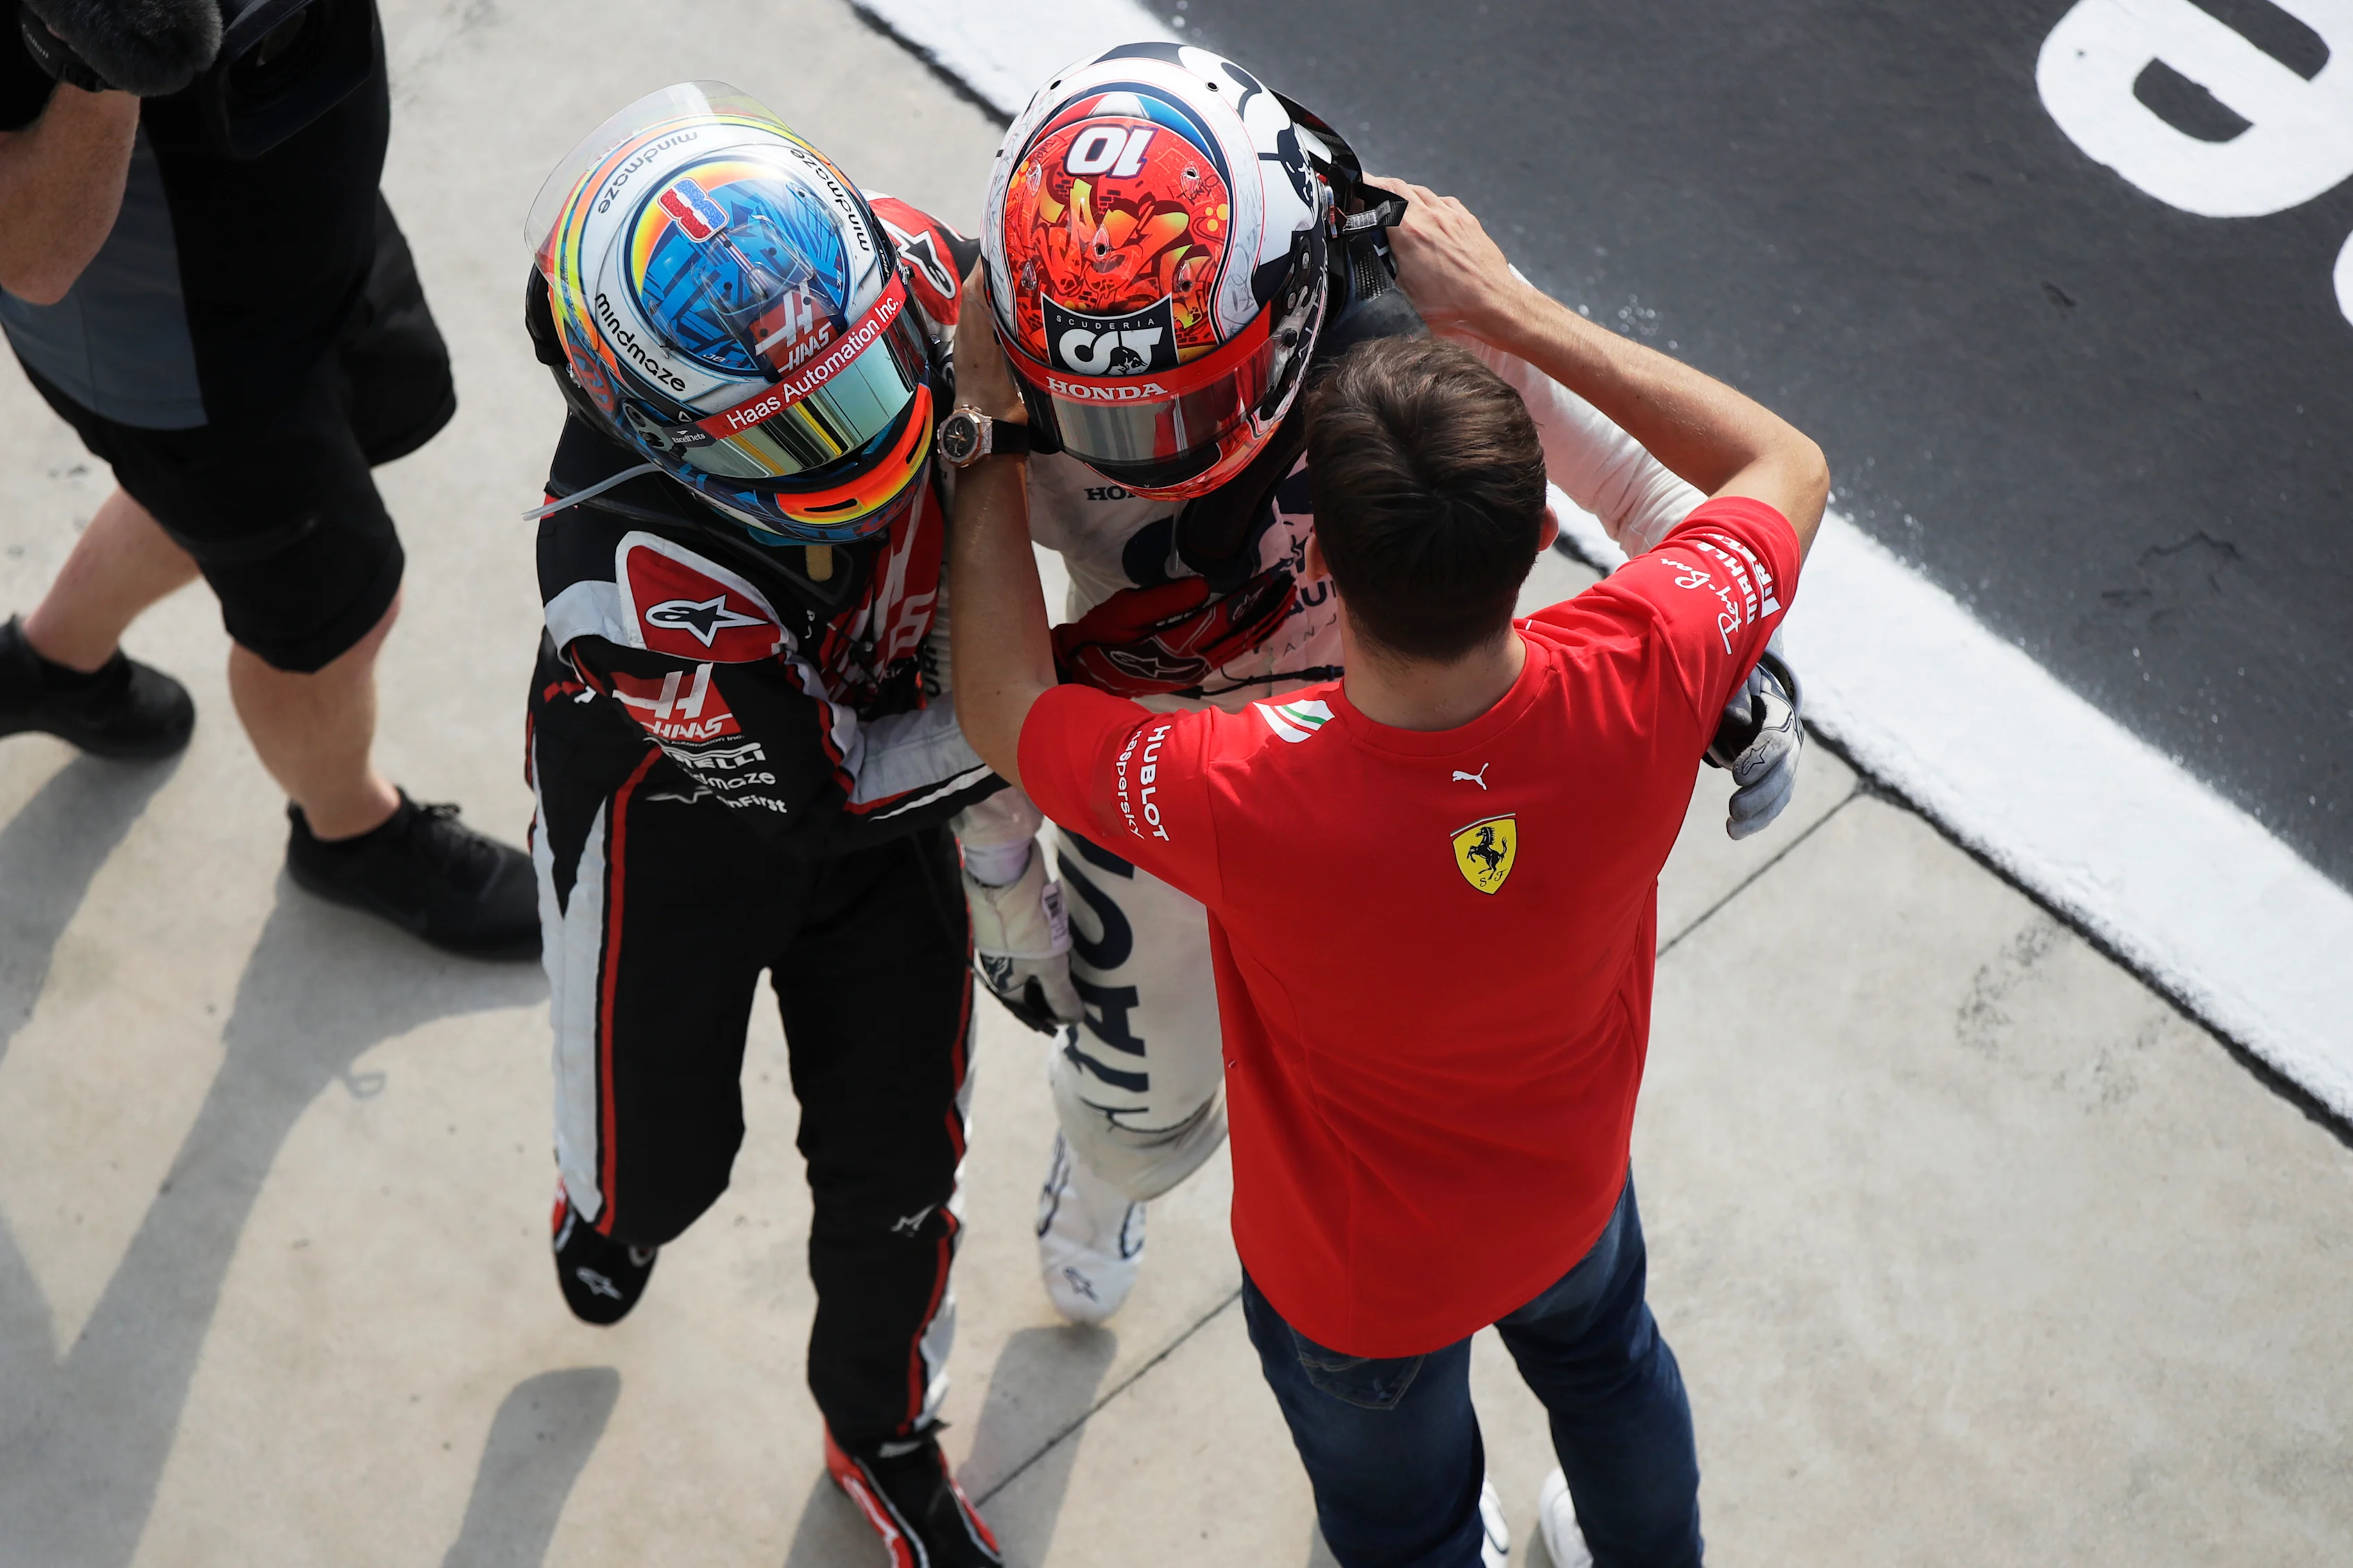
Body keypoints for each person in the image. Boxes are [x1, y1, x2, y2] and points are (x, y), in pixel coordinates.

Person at [948, 173, 1828, 1568]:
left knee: (1406, 1529)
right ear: (1529, 526)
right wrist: (1510, 309)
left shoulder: (1235, 787)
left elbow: (1002, 701)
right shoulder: (1653, 660)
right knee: (1613, 1373)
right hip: (1569, 1191)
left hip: (1354, 1286)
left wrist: (988, 431)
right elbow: (1782, 463)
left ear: (1331, 575)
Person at [520, 83, 1011, 1566]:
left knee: (904, 1171)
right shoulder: (618, 564)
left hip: (889, 792)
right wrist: (1053, 719)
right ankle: (604, 1202)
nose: (850, 451)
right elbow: (821, 789)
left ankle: (880, 1428)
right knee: (656, 1173)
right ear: (658, 428)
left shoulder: (913, 278)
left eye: (854, 387)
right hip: (681, 830)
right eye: (786, 432)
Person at [0, 0, 536, 954]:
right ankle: (351, 835)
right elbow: (28, 251)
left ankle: (55, 665)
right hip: (182, 352)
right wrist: (97, 56)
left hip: (305, 199)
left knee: (228, 501)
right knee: (334, 619)